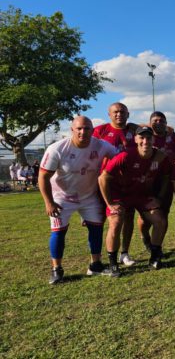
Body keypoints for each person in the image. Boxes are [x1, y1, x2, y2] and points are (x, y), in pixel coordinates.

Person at [38, 116, 119, 284]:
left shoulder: (101, 145)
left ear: (92, 130)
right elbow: (43, 177)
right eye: (79, 128)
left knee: (96, 229)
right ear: (72, 130)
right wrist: (49, 202)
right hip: (61, 196)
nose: (83, 132)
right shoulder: (57, 149)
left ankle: (95, 265)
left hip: (88, 196)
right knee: (59, 232)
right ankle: (56, 269)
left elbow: (119, 157)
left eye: (87, 128)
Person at [98, 126, 171, 276]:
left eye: (148, 138)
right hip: (120, 196)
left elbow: (166, 177)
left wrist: (159, 198)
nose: (145, 141)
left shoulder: (160, 157)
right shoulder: (125, 155)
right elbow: (103, 177)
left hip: (141, 196)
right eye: (142, 138)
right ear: (136, 139)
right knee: (116, 222)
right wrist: (110, 203)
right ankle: (113, 264)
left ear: (153, 139)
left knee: (160, 220)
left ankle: (155, 257)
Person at [92, 102, 138, 266]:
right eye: (116, 112)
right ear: (109, 114)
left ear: (128, 114)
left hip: (127, 184)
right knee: (100, 220)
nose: (119, 114)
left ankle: (124, 253)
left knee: (128, 218)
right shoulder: (100, 131)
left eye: (123, 112)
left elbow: (158, 130)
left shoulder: (134, 131)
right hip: (104, 182)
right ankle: (97, 257)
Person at [138, 111, 175, 252]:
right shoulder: (146, 137)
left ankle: (157, 246)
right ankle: (145, 236)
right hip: (148, 182)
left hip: (167, 182)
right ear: (150, 123)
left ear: (166, 123)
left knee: (163, 213)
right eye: (155, 120)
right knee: (145, 217)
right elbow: (131, 127)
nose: (159, 123)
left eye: (162, 120)